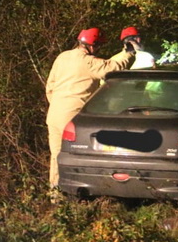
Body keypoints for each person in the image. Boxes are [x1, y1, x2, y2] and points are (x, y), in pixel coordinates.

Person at [45, 27, 133, 189]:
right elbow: (112, 68)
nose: (99, 49)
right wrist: (128, 53)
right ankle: (77, 190)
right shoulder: (87, 62)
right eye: (98, 46)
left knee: (57, 156)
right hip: (72, 118)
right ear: (92, 45)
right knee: (76, 156)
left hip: (54, 115)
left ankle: (55, 193)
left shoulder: (62, 57)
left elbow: (50, 87)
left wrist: (58, 105)